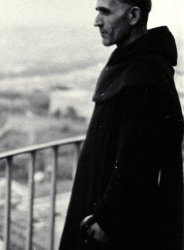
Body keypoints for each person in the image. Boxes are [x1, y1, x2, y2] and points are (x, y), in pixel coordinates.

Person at [59, 0, 183, 249]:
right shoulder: (135, 65)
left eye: (105, 11)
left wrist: (107, 221)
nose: (96, 21)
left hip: (114, 231)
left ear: (134, 16)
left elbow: (137, 162)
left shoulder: (143, 74)